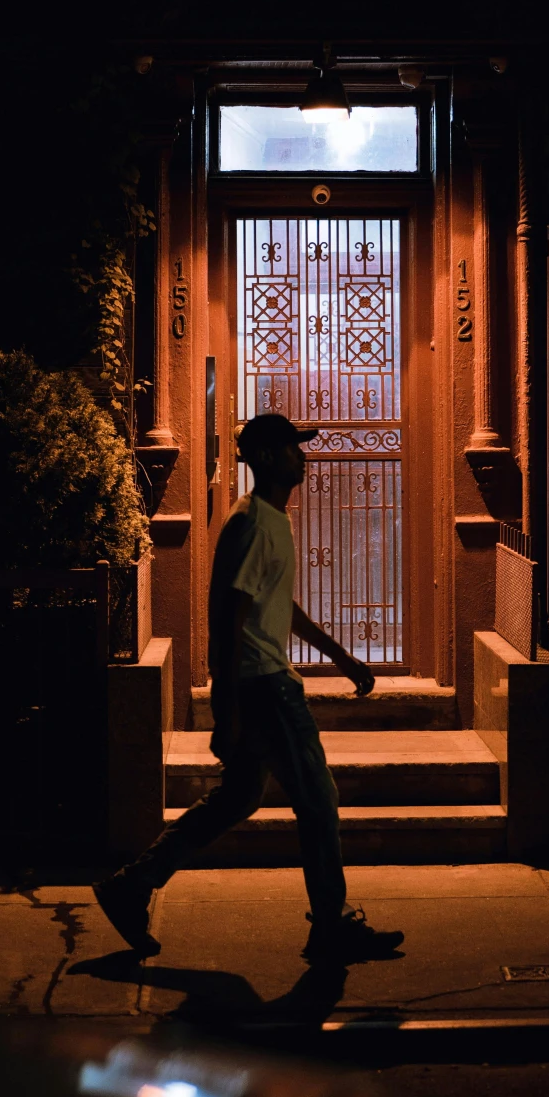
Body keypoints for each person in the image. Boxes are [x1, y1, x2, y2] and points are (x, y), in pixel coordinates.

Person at [95, 413, 405, 967]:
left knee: (238, 798)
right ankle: (330, 926)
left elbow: (278, 607)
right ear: (265, 457)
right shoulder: (251, 524)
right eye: (291, 448)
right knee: (318, 801)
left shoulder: (272, 520)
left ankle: (131, 885)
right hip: (265, 689)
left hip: (263, 684)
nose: (302, 456)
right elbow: (227, 618)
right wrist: (225, 710)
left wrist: (341, 657)